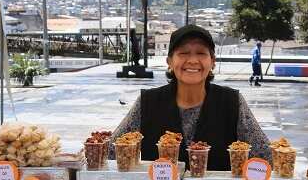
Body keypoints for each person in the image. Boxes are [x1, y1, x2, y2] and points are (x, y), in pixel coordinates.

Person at [110, 25, 271, 170]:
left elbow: (266, 156)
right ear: (170, 62)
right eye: (183, 53)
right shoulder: (148, 102)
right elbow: (110, 151)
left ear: (212, 62)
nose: (193, 60)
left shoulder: (231, 102)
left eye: (201, 53)